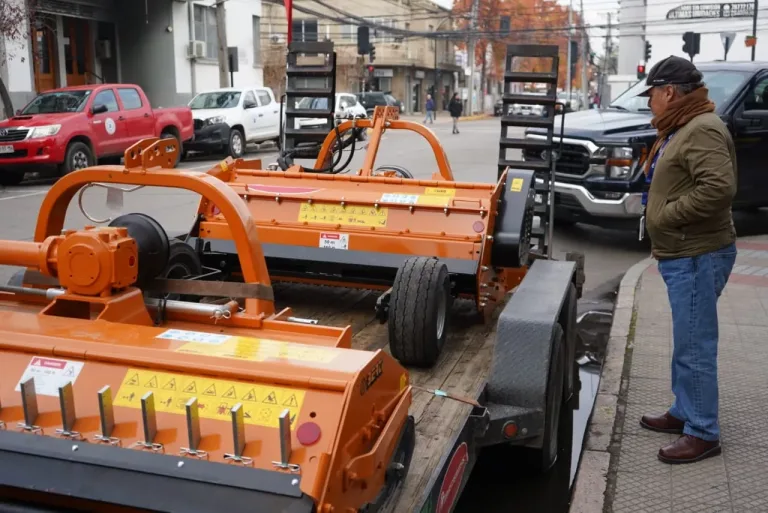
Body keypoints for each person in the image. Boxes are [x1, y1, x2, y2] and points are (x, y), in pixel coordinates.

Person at [636, 55, 738, 464]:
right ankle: (685, 410)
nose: (649, 105)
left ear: (669, 92)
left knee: (695, 345)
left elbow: (719, 189)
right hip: (686, 252)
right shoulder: (686, 125)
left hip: (697, 252)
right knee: (687, 340)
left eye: (652, 96)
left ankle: (703, 432)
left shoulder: (702, 129)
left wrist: (666, 216)